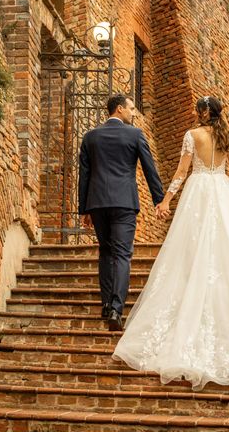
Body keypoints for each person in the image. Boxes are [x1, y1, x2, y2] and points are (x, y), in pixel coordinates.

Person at [112, 96, 229, 390]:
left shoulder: (192, 136)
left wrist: (166, 201)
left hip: (198, 192)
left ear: (203, 113)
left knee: (188, 252)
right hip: (221, 191)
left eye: (196, 109)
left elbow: (181, 172)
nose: (193, 112)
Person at [78, 94, 166, 332]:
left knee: (105, 252)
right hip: (124, 202)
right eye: (131, 108)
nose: (134, 113)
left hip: (97, 202)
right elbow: (150, 169)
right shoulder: (135, 135)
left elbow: (84, 175)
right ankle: (117, 308)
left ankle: (106, 304)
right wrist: (160, 199)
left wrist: (84, 209)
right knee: (122, 254)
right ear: (119, 109)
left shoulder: (90, 137)